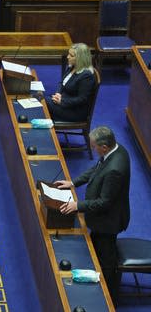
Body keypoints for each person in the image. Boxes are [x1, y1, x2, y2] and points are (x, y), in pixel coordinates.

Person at [55, 126, 130, 304]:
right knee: (97, 247)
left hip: (108, 221)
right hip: (101, 219)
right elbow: (96, 169)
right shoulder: (115, 149)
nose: (93, 149)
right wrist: (72, 183)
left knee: (106, 258)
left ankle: (109, 298)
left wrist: (77, 205)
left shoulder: (115, 169)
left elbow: (104, 202)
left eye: (94, 147)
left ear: (104, 147)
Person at [45, 42, 97, 122]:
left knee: (44, 101)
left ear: (80, 58)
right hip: (65, 102)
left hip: (75, 112)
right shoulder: (72, 66)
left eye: (71, 55)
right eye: (68, 54)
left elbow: (82, 99)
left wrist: (62, 101)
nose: (67, 57)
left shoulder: (87, 76)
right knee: (41, 97)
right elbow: (62, 83)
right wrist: (58, 94)